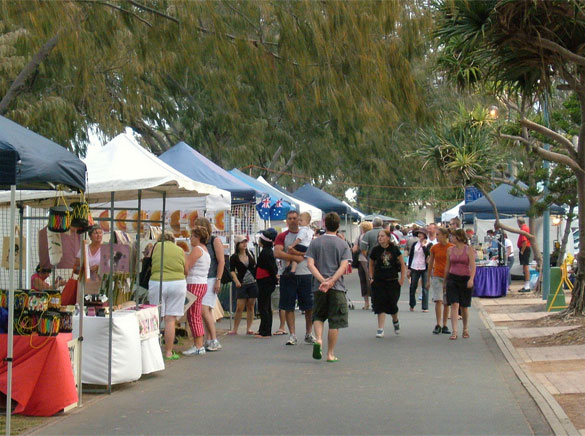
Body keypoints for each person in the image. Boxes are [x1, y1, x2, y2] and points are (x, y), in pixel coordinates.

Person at [305, 212, 352, 362]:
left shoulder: (315, 242)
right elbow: (343, 266)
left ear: (324, 224)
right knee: (335, 321)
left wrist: (322, 280)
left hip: (318, 287)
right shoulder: (343, 244)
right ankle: (330, 353)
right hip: (336, 287)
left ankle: (318, 338)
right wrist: (331, 281)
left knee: (318, 315)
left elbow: (310, 264)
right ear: (338, 226)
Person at [275, 210, 315, 346]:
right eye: (290, 218)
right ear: (286, 220)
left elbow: (311, 251)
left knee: (309, 306)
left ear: (299, 220)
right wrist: (295, 257)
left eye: (295, 218)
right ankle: (292, 334)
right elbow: (277, 252)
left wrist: (298, 255)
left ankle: (309, 333)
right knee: (288, 305)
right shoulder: (282, 236)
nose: (293, 221)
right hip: (288, 275)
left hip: (305, 273)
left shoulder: (307, 234)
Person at [148, 231, 187, 360]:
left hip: (157, 282)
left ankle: (154, 352)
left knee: (156, 317)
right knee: (170, 320)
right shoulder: (179, 249)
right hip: (177, 283)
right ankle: (169, 352)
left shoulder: (156, 247)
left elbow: (148, 261)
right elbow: (185, 269)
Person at [193, 217, 224, 352]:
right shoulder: (201, 244)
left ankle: (214, 339)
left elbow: (221, 261)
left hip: (212, 278)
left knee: (205, 310)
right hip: (203, 278)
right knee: (206, 311)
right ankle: (210, 338)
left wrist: (218, 279)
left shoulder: (214, 240)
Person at [369, 229, 406, 338]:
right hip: (379, 281)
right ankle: (380, 328)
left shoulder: (394, 249)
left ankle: (395, 320)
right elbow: (371, 264)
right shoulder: (375, 250)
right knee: (380, 304)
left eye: (382, 236)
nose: (380, 238)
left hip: (392, 281)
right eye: (379, 236)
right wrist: (371, 277)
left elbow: (402, 264)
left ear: (388, 238)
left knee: (392, 305)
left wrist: (402, 279)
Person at [183, 227, 211, 356]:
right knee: (196, 314)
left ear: (198, 237)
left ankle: (198, 345)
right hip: (202, 283)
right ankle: (199, 343)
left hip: (194, 283)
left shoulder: (197, 250)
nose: (190, 239)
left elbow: (187, 266)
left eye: (192, 236)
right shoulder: (205, 250)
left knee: (193, 315)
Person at [444, 229, 476, 340]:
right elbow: (447, 266)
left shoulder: (468, 250)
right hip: (453, 278)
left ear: (458, 237)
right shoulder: (449, 250)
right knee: (454, 304)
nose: (451, 238)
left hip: (465, 278)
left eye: (452, 236)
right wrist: (445, 280)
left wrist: (471, 279)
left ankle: (465, 328)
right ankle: (454, 331)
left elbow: (472, 266)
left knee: (464, 306)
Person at [228, 235, 258, 335]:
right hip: (242, 283)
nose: (245, 244)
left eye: (245, 242)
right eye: (242, 242)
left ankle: (249, 328)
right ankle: (235, 329)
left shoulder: (250, 253)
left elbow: (254, 266)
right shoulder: (234, 257)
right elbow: (232, 270)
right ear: (237, 244)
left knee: (251, 305)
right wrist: (236, 280)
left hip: (252, 282)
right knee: (240, 307)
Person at [426, 227, 453, 335]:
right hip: (437, 275)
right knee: (438, 300)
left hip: (449, 276)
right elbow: (430, 263)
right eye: (436, 234)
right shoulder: (434, 248)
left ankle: (445, 324)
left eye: (438, 234)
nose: (436, 237)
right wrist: (428, 279)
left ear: (445, 235)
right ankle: (438, 324)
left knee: (446, 302)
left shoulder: (451, 247)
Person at [255, 228, 279, 337]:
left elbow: (271, 268)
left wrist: (274, 279)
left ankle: (265, 331)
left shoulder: (266, 252)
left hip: (266, 281)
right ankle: (263, 329)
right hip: (265, 281)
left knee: (264, 306)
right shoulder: (267, 251)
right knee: (265, 306)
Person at [407, 229, 431, 312]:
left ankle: (425, 307)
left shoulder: (429, 244)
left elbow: (428, 254)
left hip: (424, 267)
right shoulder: (415, 244)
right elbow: (411, 256)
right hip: (414, 266)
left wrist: (424, 246)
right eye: (419, 234)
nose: (419, 235)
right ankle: (412, 304)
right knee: (413, 286)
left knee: (425, 287)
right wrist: (409, 268)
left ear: (425, 235)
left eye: (421, 234)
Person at [283, 212, 313, 276]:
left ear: (307, 222)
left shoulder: (302, 230)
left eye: (301, 220)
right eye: (299, 220)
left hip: (301, 245)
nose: (299, 222)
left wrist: (292, 246)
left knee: (290, 253)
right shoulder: (310, 230)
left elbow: (298, 239)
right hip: (307, 247)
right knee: (296, 257)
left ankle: (288, 267)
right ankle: (293, 270)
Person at [354, 221, 373, 310]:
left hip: (361, 260)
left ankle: (366, 303)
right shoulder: (373, 236)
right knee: (371, 280)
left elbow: (354, 249)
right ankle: (374, 301)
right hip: (371, 260)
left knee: (363, 281)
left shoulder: (359, 237)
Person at [517, 217, 532, 292]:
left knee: (525, 266)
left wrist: (522, 251)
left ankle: (527, 285)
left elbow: (525, 242)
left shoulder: (523, 229)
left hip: (525, 248)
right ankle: (526, 284)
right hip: (525, 248)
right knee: (524, 266)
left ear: (518, 222)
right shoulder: (526, 228)